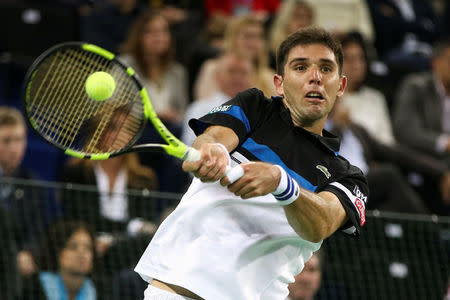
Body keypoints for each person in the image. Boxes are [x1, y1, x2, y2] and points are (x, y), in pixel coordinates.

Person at [134, 26, 369, 299]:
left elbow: (323, 223)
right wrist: (215, 152)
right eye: (301, 67)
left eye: (326, 69)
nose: (315, 77)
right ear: (279, 83)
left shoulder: (347, 176)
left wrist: (282, 184)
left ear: (340, 86)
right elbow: (212, 139)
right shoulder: (255, 107)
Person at [393, 38, 450, 213]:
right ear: (436, 62)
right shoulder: (416, 86)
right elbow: (405, 131)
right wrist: (444, 143)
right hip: (422, 160)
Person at [0, 106, 48, 277]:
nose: (14, 148)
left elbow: (35, 232)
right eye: (6, 141)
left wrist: (28, 253)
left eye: (19, 139)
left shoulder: (34, 185)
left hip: (12, 269)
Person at [119, 11, 189, 125]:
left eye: (164, 31)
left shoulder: (178, 71)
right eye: (150, 32)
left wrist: (175, 116)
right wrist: (155, 115)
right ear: (138, 36)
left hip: (171, 131)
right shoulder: (124, 65)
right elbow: (116, 108)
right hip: (136, 131)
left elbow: (183, 112)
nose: (159, 37)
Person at [194, 15, 276, 100]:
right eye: (248, 36)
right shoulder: (212, 68)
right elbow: (204, 104)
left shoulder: (268, 76)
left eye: (259, 36)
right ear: (233, 38)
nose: (253, 42)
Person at [181, 51, 254, 146]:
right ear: (217, 76)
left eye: (243, 73)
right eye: (231, 71)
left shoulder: (260, 112)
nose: (238, 77)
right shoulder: (200, 108)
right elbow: (190, 146)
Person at [339, 31, 396, 146]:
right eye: (349, 59)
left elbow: (387, 140)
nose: (357, 65)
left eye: (361, 58)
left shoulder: (376, 97)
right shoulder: (331, 100)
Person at [21, 221, 97, 300]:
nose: (82, 254)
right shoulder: (34, 288)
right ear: (57, 252)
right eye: (72, 247)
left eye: (88, 248)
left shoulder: (95, 291)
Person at [268, 0, 314, 69]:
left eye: (308, 17)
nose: (303, 22)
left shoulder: (318, 53)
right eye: (297, 16)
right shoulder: (272, 55)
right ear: (285, 19)